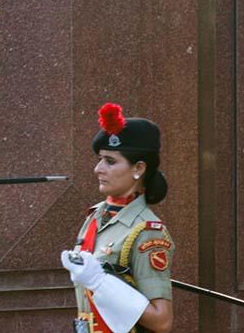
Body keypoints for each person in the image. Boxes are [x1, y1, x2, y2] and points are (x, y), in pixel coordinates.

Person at [61, 103, 174, 333]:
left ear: (139, 168)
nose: (98, 169)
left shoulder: (146, 231)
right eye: (100, 159)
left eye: (110, 161)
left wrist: (103, 284)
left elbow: (162, 321)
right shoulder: (96, 217)